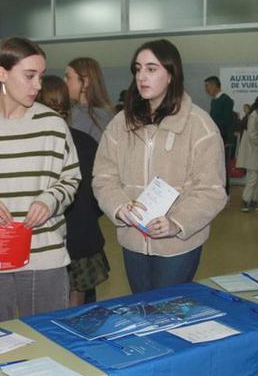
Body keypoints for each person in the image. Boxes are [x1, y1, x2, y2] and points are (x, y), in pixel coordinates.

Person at [0, 37, 80, 325]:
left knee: (51, 341)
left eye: (40, 76)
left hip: (45, 255)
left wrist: (50, 200)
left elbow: (71, 177)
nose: (38, 85)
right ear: (2, 74)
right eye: (29, 76)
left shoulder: (53, 125)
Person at [93, 39, 226, 293]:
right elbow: (103, 176)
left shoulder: (200, 125)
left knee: (167, 313)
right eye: (138, 68)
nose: (142, 76)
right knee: (142, 309)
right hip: (133, 240)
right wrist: (120, 206)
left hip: (178, 244)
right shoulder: (121, 124)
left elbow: (211, 190)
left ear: (171, 75)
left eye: (151, 69)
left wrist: (176, 222)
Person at [38, 75, 109, 306]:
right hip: (83, 238)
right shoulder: (86, 142)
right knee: (78, 304)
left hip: (44, 241)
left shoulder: (32, 147)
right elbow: (99, 194)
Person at [64, 57, 115, 142]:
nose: (64, 81)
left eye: (68, 77)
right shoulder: (105, 114)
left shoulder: (95, 117)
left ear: (85, 82)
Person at [235, 95, 258, 212]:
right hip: (252, 152)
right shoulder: (253, 117)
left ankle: (253, 200)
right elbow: (252, 136)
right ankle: (245, 201)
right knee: (253, 178)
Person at [204, 76, 235, 194]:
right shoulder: (214, 101)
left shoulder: (226, 100)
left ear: (214, 85)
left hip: (224, 139)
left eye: (207, 86)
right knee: (215, 166)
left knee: (224, 167)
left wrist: (212, 123)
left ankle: (225, 192)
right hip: (214, 139)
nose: (206, 89)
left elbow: (227, 121)